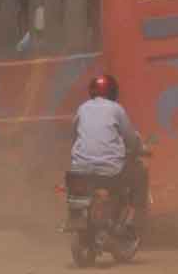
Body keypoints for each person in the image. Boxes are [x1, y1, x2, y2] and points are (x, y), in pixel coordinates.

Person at [62, 75, 148, 231]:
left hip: (80, 169)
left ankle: (75, 215)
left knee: (76, 188)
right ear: (114, 92)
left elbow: (74, 134)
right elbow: (129, 136)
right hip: (110, 170)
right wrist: (139, 148)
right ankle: (136, 216)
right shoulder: (116, 109)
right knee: (140, 171)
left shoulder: (82, 108)